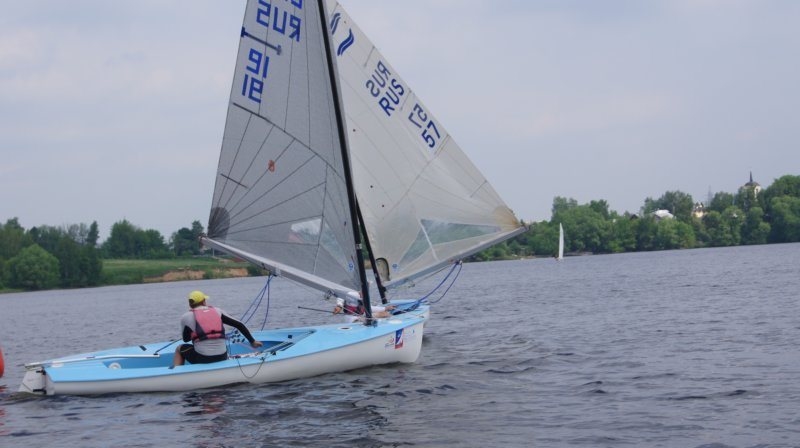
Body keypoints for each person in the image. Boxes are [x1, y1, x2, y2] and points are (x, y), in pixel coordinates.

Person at [172, 290, 263, 367]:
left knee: (179, 349)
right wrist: (252, 341)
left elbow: (186, 339)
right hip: (222, 356)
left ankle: (176, 373)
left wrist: (194, 333)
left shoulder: (185, 317)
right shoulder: (217, 311)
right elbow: (239, 325)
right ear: (204, 301)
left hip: (202, 359)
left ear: (190, 304)